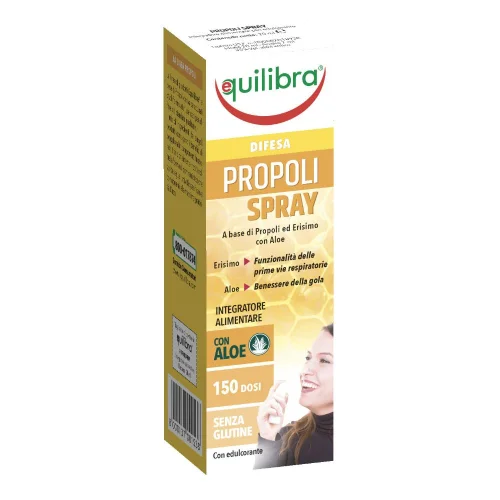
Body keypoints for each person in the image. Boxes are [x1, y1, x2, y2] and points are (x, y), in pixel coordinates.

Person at [254, 323, 333, 468]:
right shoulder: (288, 438)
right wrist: (268, 439)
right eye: (308, 358)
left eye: (324, 360)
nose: (305, 371)